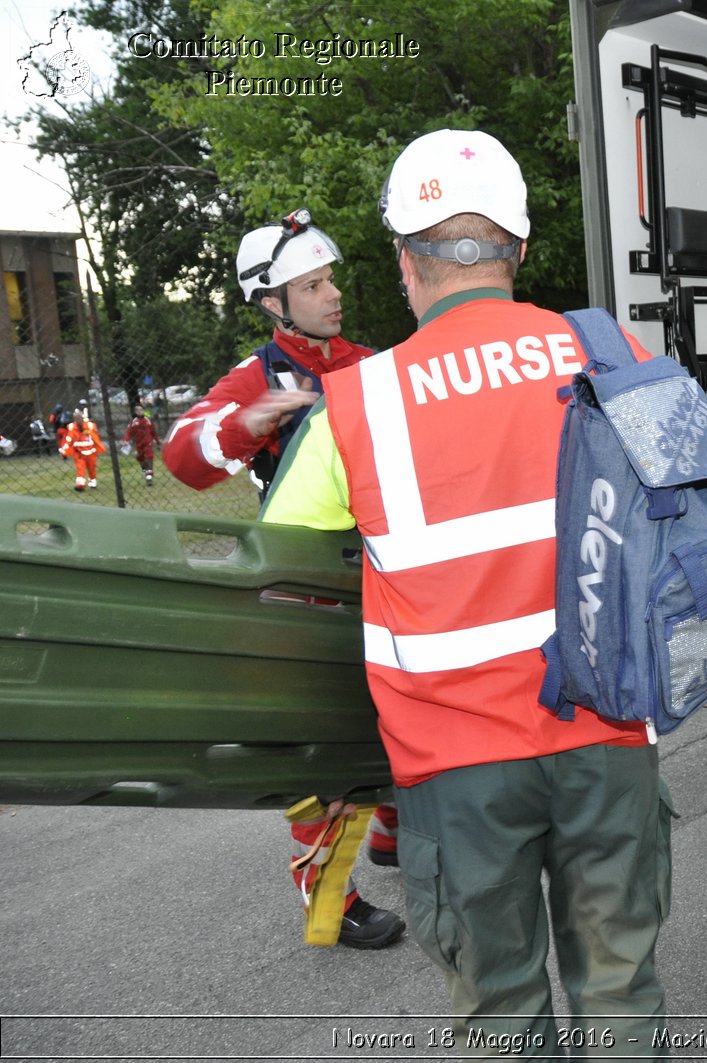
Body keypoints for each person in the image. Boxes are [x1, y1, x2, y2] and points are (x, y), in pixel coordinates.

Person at [262, 128, 671, 1055]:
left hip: (457, 763)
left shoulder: (357, 403)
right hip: (608, 735)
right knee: (619, 989)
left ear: (405, 262)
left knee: (501, 1009)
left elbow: (275, 570)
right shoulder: (611, 352)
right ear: (519, 250)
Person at [165, 209, 405, 951]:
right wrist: (257, 418)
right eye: (313, 284)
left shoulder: (370, 359)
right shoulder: (253, 378)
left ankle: (394, 832)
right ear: (273, 301)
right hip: (304, 591)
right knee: (323, 748)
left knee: (404, 709)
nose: (333, 293)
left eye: (331, 278)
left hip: (385, 576)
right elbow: (182, 457)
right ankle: (328, 902)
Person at [59, 406, 106, 491]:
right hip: (79, 453)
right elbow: (68, 440)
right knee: (80, 468)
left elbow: (95, 435)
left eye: (80, 418)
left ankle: (92, 482)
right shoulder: (73, 429)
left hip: (90, 452)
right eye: (76, 418)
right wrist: (63, 450)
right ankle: (80, 484)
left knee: (92, 468)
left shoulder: (89, 426)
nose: (78, 420)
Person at [122, 405, 159, 485]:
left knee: (149, 456)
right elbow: (129, 432)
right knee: (140, 458)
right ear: (135, 412)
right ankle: (146, 472)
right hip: (138, 444)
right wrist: (126, 440)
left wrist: (157, 441)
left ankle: (149, 476)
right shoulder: (133, 422)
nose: (140, 411)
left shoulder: (148, 420)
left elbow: (154, 432)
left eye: (141, 410)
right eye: (138, 410)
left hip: (147, 443)